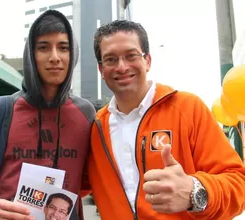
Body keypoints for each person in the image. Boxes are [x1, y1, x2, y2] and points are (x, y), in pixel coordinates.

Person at [88, 20, 245, 220]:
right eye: (110, 59)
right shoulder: (96, 128)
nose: (122, 67)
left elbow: (239, 184)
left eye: (131, 55)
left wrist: (195, 192)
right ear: (101, 70)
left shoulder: (188, 108)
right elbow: (71, 181)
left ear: (148, 60)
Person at [0, 10, 95, 220]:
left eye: (63, 48)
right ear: (31, 55)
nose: (55, 57)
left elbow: (94, 179)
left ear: (72, 54)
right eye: (44, 47)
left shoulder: (86, 114)